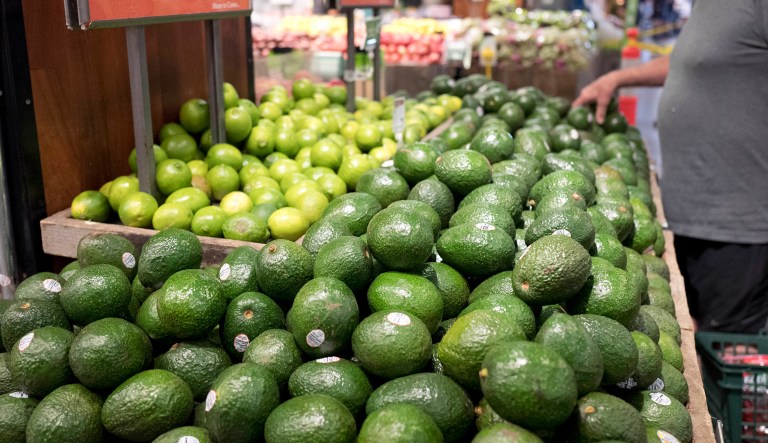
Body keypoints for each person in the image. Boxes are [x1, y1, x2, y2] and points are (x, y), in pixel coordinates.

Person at [573, 0, 768, 334]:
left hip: (740, 219)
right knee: (706, 332)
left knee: (733, 347)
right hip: (699, 212)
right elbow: (693, 62)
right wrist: (619, 77)